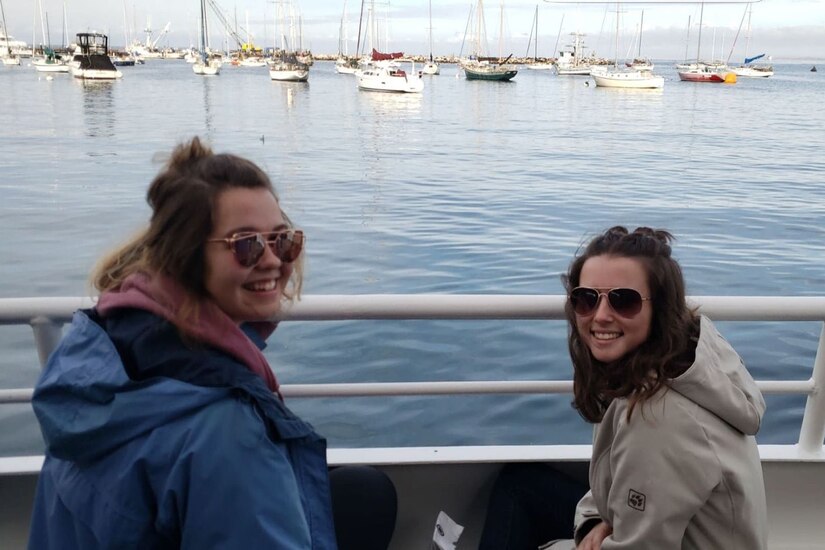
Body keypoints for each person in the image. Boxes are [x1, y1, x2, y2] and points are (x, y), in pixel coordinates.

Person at [28, 137, 396, 549]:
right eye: (246, 245)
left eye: (282, 239)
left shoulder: (101, 344)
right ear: (185, 255)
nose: (274, 260)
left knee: (364, 491)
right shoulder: (226, 427)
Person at [480, 226, 767, 550]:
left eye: (623, 300)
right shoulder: (690, 354)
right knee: (519, 487)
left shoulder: (658, 419)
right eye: (586, 299)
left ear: (659, 307)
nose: (601, 316)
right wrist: (596, 521)